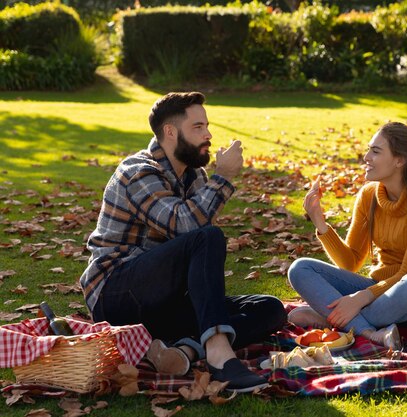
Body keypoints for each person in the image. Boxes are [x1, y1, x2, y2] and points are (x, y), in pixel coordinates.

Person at [80, 92, 286, 392]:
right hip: (116, 295)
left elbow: (193, 253)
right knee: (206, 236)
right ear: (171, 132)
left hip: (163, 301)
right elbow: (185, 226)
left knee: (270, 309)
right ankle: (218, 355)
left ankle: (184, 350)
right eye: (198, 127)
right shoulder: (137, 172)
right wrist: (224, 177)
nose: (208, 135)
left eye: (207, 126)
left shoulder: (195, 177)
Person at [287, 122, 407, 350]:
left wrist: (359, 299)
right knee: (300, 268)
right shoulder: (369, 196)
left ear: (399, 160)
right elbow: (351, 261)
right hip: (379, 291)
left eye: (375, 151)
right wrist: (320, 222)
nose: (366, 157)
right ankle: (370, 332)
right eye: (369, 149)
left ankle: (330, 318)